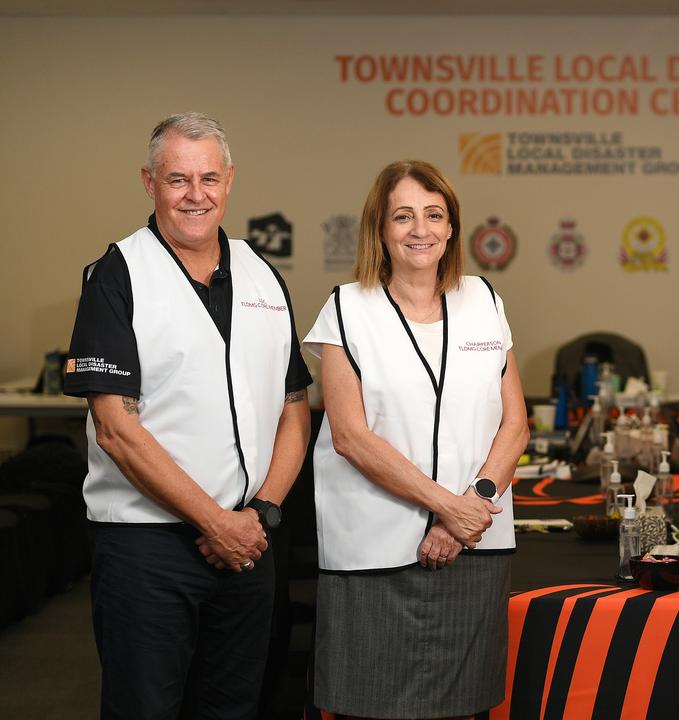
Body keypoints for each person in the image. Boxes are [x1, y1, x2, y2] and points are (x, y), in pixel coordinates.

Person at [63, 112, 313, 719]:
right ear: (148, 183)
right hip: (146, 551)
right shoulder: (117, 275)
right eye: (177, 179)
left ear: (229, 181)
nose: (195, 195)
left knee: (233, 709)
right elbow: (117, 432)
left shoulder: (262, 275)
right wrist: (216, 523)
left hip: (249, 546)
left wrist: (263, 512)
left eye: (208, 178)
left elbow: (294, 407)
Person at [304, 160, 528, 719]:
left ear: (452, 227)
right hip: (374, 553)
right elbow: (351, 436)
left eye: (434, 215)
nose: (420, 229)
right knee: (370, 706)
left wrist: (468, 509)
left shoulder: (484, 300)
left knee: (465, 706)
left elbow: (515, 424)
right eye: (402, 216)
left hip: (473, 548)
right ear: (379, 228)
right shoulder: (346, 308)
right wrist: (449, 509)